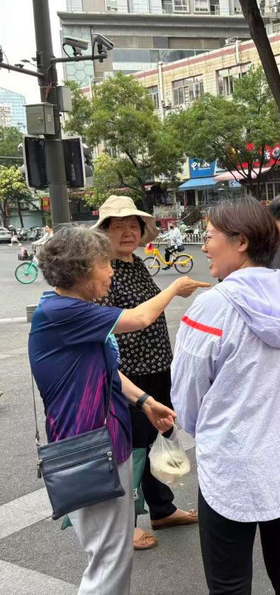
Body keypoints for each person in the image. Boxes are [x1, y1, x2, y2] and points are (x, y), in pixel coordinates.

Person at [28, 226, 206, 594]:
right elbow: (140, 318)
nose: (111, 271)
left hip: (106, 443)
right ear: (81, 269)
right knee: (109, 559)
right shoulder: (63, 311)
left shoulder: (75, 310)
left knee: (114, 552)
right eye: (104, 263)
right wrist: (174, 287)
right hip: (87, 450)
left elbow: (106, 368)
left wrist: (144, 401)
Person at [171, 196, 280, 595]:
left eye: (209, 236)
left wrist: (204, 428)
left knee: (230, 582)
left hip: (231, 465)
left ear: (241, 242)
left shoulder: (212, 308)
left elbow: (187, 396)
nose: (203, 246)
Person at [93, 195, 200, 551]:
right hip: (128, 373)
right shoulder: (102, 269)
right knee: (132, 447)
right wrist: (172, 290)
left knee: (158, 436)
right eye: (118, 226)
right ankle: (125, 523)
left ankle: (162, 508)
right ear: (104, 232)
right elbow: (127, 319)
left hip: (156, 366)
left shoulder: (137, 263)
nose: (128, 232)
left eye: (133, 225)